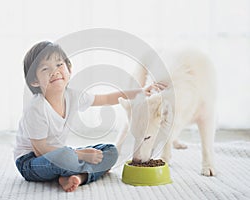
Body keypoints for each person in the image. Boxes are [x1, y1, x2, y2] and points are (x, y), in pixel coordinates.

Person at [13, 41, 167, 192]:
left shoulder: (72, 95)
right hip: (31, 162)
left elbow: (106, 99)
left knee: (110, 152)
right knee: (66, 156)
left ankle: (78, 177)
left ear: (69, 69)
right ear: (34, 81)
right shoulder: (36, 108)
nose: (55, 71)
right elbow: (41, 150)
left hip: (63, 154)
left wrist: (140, 91)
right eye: (45, 68)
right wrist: (79, 155)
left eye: (59, 64)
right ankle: (80, 170)